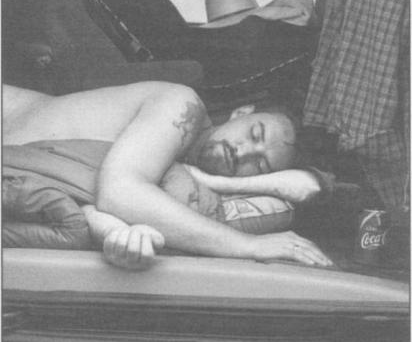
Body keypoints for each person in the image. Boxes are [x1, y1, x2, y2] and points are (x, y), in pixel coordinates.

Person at [4, 81, 336, 270]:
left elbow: (307, 188)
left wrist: (223, 182)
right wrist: (250, 245)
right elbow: (118, 193)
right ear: (241, 112)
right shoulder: (182, 104)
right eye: (254, 133)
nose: (244, 152)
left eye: (260, 165)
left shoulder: (181, 175)